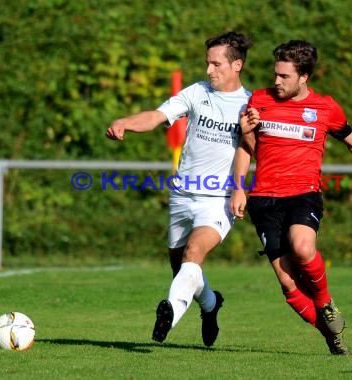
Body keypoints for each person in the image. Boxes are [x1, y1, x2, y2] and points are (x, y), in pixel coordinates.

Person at [231, 40, 352, 355]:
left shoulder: (325, 108)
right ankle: (331, 336)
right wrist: (238, 186)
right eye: (275, 74)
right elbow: (247, 147)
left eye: (284, 76)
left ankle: (325, 303)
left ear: (304, 77)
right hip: (264, 199)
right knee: (288, 284)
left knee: (303, 247)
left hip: (303, 194)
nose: (276, 81)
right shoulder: (259, 100)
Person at [106, 31, 253, 347]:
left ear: (237, 65)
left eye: (216, 64)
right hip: (182, 195)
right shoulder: (197, 92)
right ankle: (211, 305)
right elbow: (158, 116)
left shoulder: (250, 104)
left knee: (194, 253)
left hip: (218, 198)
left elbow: (254, 150)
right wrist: (126, 122)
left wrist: (241, 186)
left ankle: (169, 313)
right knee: (183, 269)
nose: (209, 70)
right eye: (207, 63)